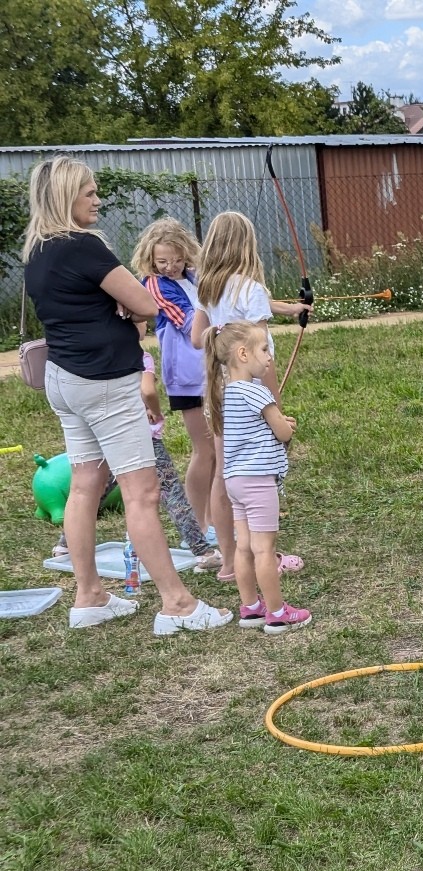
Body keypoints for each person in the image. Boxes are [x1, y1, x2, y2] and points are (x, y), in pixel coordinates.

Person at [21, 155, 231, 634]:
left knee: (84, 486)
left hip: (65, 380)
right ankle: (176, 603)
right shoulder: (84, 246)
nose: (97, 199)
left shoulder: (36, 249)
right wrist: (126, 305)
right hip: (106, 383)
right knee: (142, 493)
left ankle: (89, 595)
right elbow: (146, 304)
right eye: (89, 192)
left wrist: (121, 304)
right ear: (64, 197)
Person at [191, 210, 309, 581]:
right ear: (248, 246)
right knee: (258, 474)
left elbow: (198, 338)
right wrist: (275, 404)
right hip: (253, 393)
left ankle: (230, 561)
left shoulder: (207, 287)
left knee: (226, 473)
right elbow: (262, 353)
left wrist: (287, 309)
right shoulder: (251, 289)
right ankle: (264, 556)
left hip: (220, 388)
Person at [52, 325, 219, 571]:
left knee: (97, 486)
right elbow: (147, 389)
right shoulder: (138, 357)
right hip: (138, 435)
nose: (145, 326)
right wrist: (155, 410)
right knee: (171, 490)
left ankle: (64, 545)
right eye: (141, 322)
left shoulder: (96, 355)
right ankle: (202, 551)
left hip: (101, 432)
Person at [202, 319, 312, 635]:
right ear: (243, 354)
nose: (269, 356)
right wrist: (287, 426)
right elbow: (281, 431)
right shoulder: (256, 392)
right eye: (264, 349)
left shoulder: (224, 393)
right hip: (258, 480)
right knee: (265, 548)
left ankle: (251, 607)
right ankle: (277, 613)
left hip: (234, 482)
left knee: (244, 547)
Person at [130, 217, 221, 573]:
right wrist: (228, 326)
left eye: (177, 260)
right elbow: (189, 325)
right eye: (162, 261)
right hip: (187, 376)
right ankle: (195, 528)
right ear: (150, 259)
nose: (170, 267)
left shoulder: (194, 276)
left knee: (217, 449)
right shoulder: (153, 285)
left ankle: (213, 518)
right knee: (205, 449)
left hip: (211, 370)